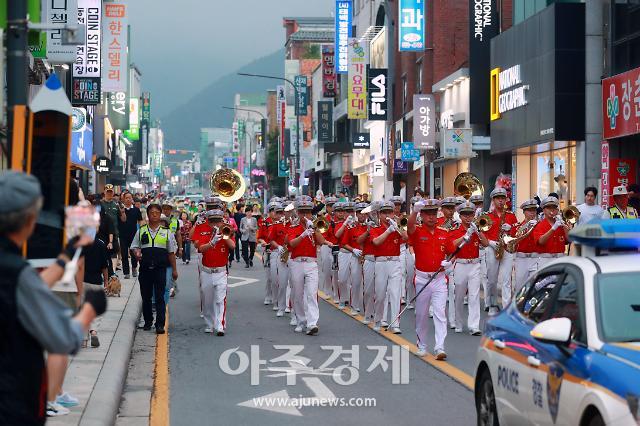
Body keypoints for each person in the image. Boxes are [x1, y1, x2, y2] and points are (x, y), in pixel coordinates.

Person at [0, 171, 106, 422]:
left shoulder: (16, 273)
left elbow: (28, 286)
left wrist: (65, 257)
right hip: (12, 404)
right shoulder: (16, 272)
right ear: (30, 220)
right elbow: (63, 338)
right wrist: (90, 310)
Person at [407, 198, 451, 359]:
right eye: (427, 214)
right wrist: (414, 211)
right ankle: (422, 345)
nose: (431, 217)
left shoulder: (444, 233)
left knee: (440, 312)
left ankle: (440, 347)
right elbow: (409, 226)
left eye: (433, 214)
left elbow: (452, 251)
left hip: (439, 279)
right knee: (422, 314)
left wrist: (448, 263)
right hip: (422, 279)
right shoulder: (417, 231)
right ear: (422, 216)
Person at [284, 196, 329, 335]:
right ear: (297, 212)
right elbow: (291, 244)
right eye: (302, 212)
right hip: (296, 263)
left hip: (311, 263)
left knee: (311, 293)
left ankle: (312, 323)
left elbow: (321, 241)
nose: (305, 215)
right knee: (297, 294)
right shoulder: (292, 227)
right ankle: (300, 320)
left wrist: (313, 229)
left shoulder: (314, 226)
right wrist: (304, 234)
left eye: (308, 212)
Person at [131, 204, 178, 334]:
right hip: (145, 269)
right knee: (145, 296)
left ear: (160, 214)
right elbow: (134, 246)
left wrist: (174, 270)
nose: (155, 214)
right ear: (148, 214)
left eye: (157, 212)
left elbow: (171, 253)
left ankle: (160, 324)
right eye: (152, 212)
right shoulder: (141, 231)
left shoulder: (166, 232)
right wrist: (136, 253)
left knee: (160, 297)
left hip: (160, 269)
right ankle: (147, 321)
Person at [447, 201, 488, 335]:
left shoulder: (476, 229)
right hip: (461, 264)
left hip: (475, 264)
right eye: (465, 215)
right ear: (460, 215)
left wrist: (477, 231)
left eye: (470, 215)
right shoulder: (455, 230)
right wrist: (464, 236)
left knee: (474, 296)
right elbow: (452, 245)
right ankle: (458, 323)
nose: (468, 218)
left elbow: (486, 243)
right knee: (459, 296)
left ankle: (474, 326)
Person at [192, 209, 236, 335]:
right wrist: (212, 242)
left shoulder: (225, 232)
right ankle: (209, 323)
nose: (215, 224)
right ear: (209, 222)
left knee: (220, 299)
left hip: (221, 272)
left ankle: (220, 325)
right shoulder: (203, 231)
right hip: (206, 271)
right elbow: (200, 248)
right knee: (207, 300)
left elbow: (232, 246)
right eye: (213, 222)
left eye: (218, 221)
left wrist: (224, 236)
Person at [369, 201, 408, 334]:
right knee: (380, 294)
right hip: (381, 262)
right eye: (384, 213)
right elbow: (376, 242)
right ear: (379, 214)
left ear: (393, 213)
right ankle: (378, 320)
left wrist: (398, 227)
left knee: (395, 293)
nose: (387, 215)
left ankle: (395, 324)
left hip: (395, 262)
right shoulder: (375, 228)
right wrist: (388, 231)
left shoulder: (397, 226)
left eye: (389, 212)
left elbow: (407, 238)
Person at [483, 188, 518, 314]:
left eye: (503, 198)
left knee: (507, 280)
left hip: (507, 249)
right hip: (493, 249)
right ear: (493, 200)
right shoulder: (487, 216)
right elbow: (481, 235)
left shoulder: (511, 216)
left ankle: (506, 308)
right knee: (492, 280)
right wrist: (491, 243)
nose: (501, 201)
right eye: (498, 198)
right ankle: (492, 305)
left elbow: (516, 234)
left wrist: (511, 229)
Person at [512, 199, 540, 292]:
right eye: (529, 211)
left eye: (534, 210)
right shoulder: (517, 226)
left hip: (535, 258)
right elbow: (513, 242)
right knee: (520, 286)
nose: (532, 213)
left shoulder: (540, 225)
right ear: (524, 212)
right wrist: (526, 226)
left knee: (535, 286)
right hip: (521, 259)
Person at [118, 192, 143, 279]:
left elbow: (140, 221)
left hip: (134, 235)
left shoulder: (136, 209)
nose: (128, 199)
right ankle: (126, 272)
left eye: (129, 198)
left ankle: (134, 268)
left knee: (133, 254)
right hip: (122, 235)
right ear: (123, 199)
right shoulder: (120, 209)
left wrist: (141, 231)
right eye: (126, 198)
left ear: (132, 199)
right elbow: (121, 220)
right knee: (124, 254)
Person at [100, 184, 123, 273]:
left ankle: (112, 272)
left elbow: (122, 219)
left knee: (114, 253)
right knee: (102, 254)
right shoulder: (100, 204)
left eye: (111, 192)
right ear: (104, 192)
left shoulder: (116, 205)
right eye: (107, 192)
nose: (109, 193)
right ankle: (103, 271)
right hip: (102, 234)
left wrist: (122, 210)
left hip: (114, 233)